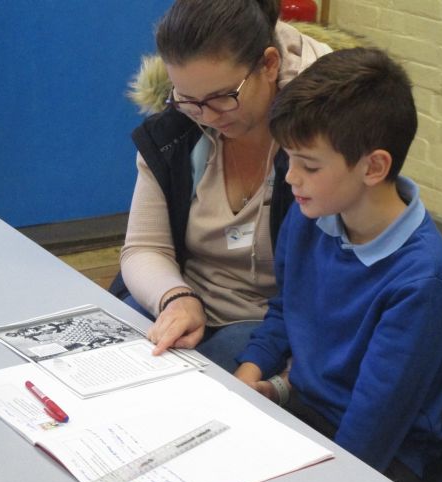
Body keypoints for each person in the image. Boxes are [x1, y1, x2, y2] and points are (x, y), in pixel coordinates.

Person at [235, 47, 442, 482]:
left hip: (380, 457)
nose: (291, 178)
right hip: (309, 414)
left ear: (373, 167)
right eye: (288, 158)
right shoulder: (311, 214)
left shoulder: (420, 281)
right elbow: (285, 311)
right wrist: (250, 373)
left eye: (309, 165)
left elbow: (372, 429)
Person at [116, 0, 332, 372]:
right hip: (183, 300)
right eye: (187, 99)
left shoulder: (324, 139)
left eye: (222, 98)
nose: (207, 116)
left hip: (269, 324)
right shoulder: (175, 132)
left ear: (269, 65)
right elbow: (144, 247)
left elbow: (327, 290)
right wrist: (175, 298)